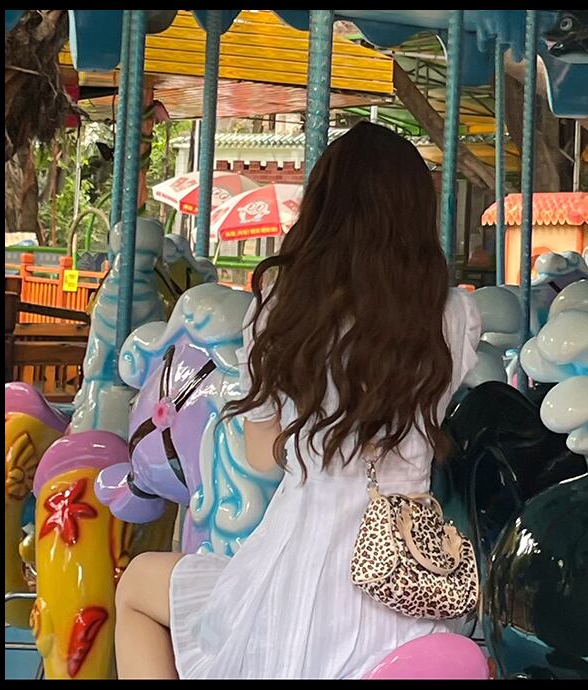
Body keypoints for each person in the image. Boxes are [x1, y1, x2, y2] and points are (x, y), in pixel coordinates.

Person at [115, 121, 481, 679]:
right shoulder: (455, 315)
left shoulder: (282, 305)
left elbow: (261, 456)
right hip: (409, 576)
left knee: (138, 586)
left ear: (323, 208)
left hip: (299, 574)